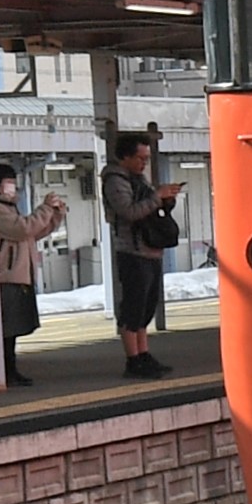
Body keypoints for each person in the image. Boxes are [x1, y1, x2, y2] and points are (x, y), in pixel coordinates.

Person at [99, 131, 174, 379]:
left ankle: (143, 353)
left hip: (149, 250)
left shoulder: (138, 179)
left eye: (146, 158)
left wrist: (165, 200)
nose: (144, 163)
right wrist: (157, 197)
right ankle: (133, 359)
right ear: (126, 157)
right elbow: (129, 211)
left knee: (146, 305)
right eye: (141, 158)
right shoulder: (115, 180)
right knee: (133, 305)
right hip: (132, 250)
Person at [0, 162, 64, 384]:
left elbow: (33, 231)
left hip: (18, 276)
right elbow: (23, 229)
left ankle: (10, 370)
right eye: (8, 183)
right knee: (6, 330)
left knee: (11, 330)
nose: (13, 188)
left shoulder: (9, 209)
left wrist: (55, 215)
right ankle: (5, 371)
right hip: (6, 277)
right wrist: (45, 209)